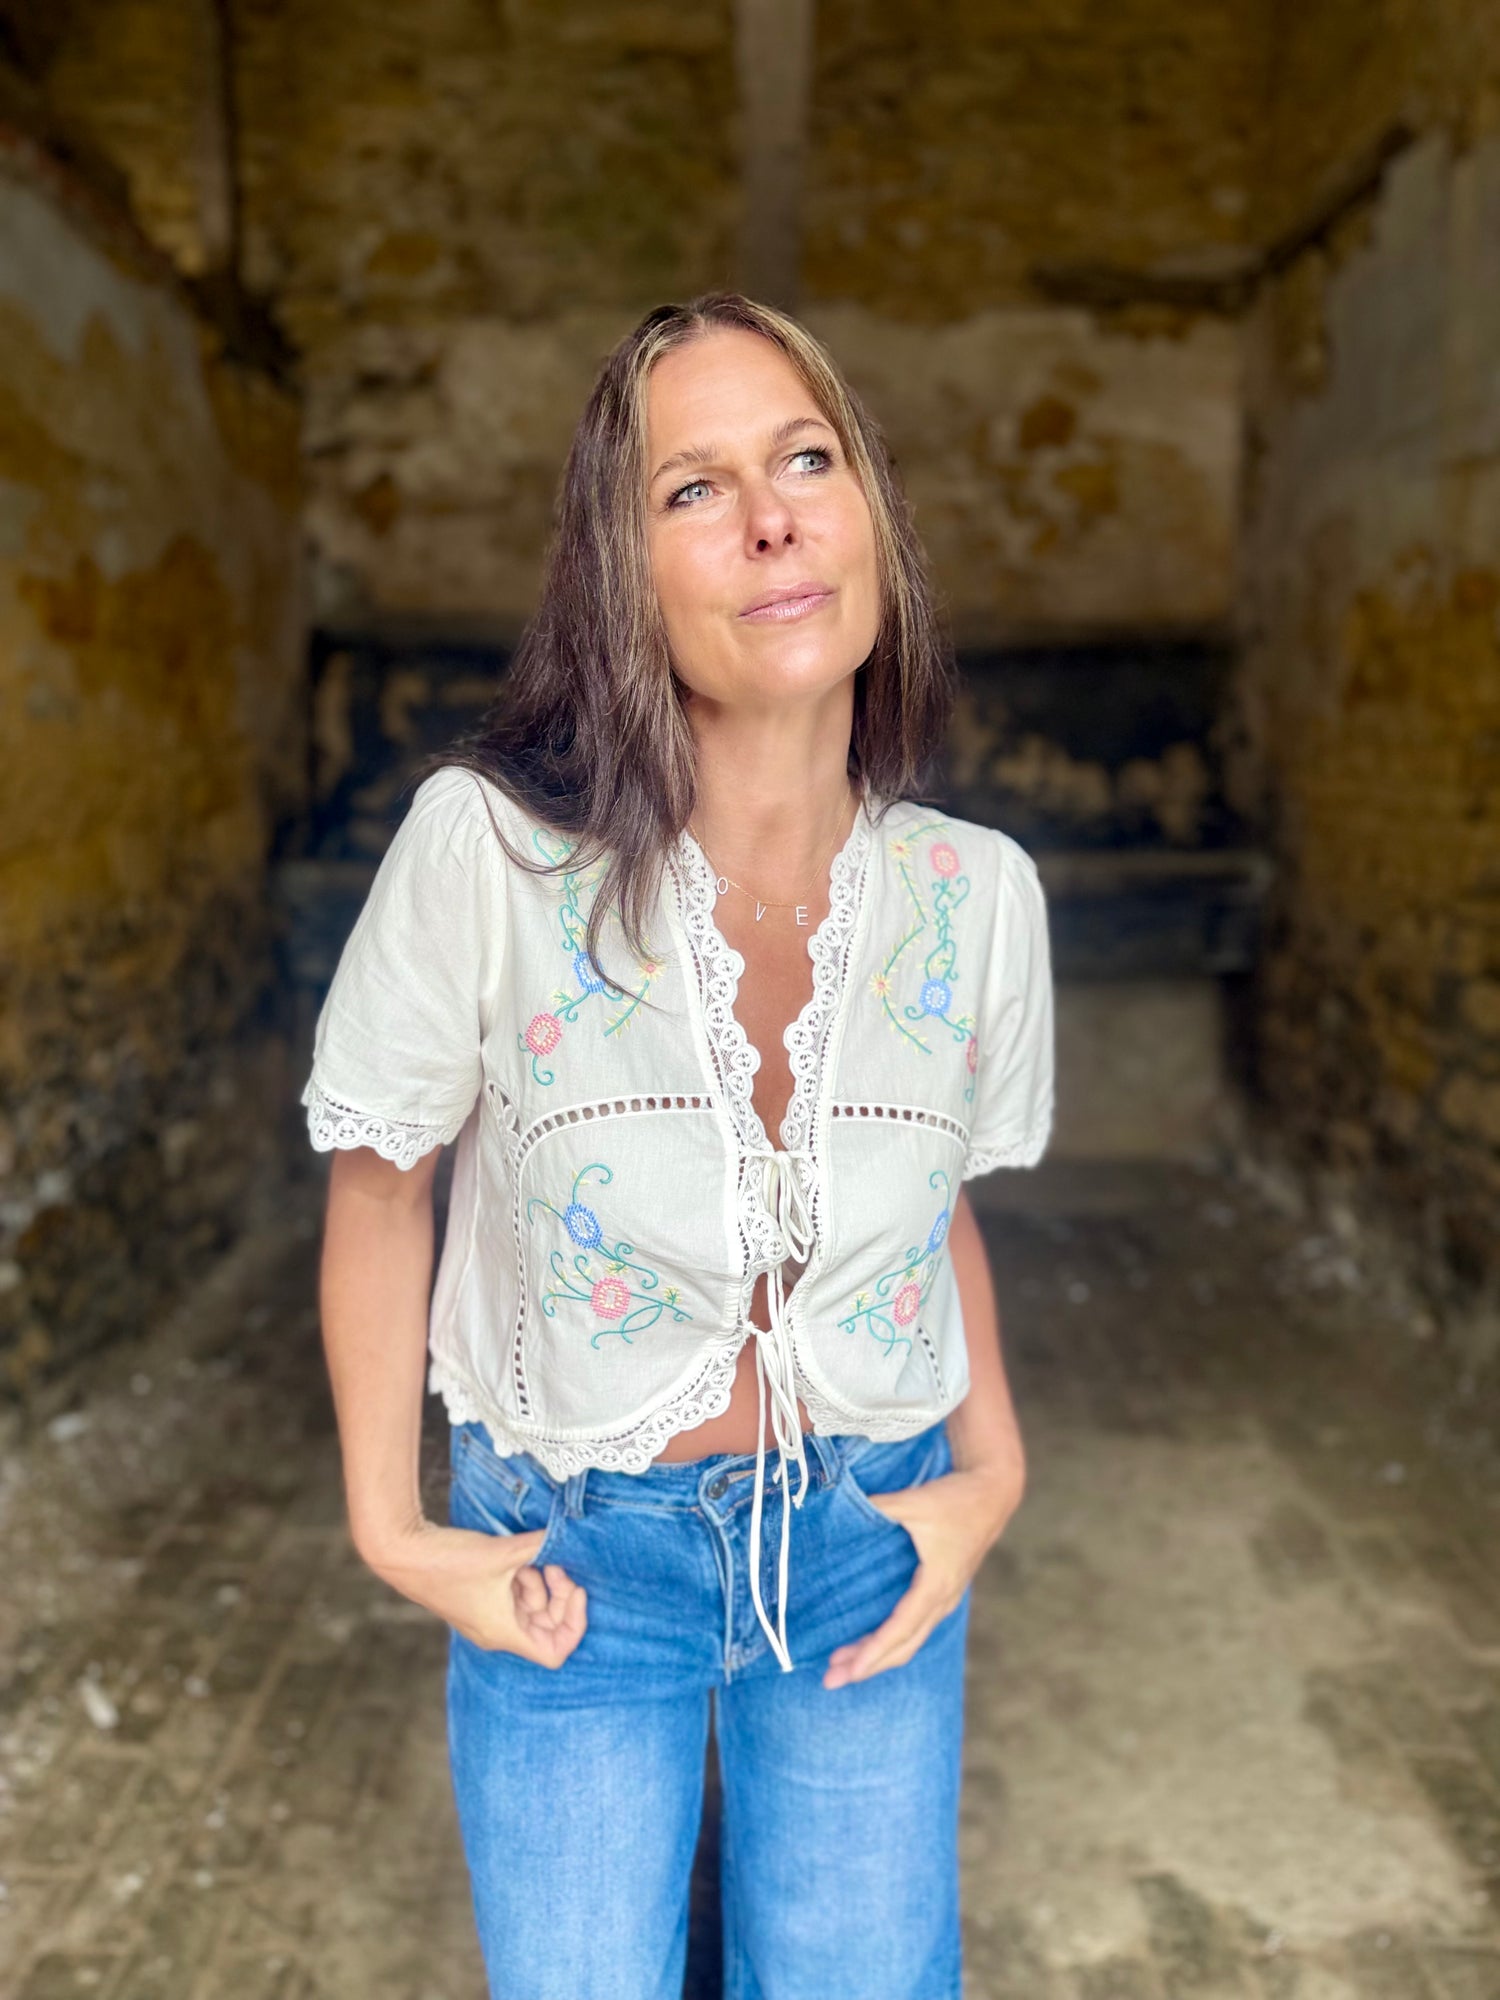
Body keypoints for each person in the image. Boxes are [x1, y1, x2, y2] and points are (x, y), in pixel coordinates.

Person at [301, 291, 1055, 2000]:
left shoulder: (977, 895)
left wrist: (991, 1476)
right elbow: (381, 1182)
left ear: (872, 515)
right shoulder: (490, 856)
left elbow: (932, 1210)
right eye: (693, 488)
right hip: (572, 1567)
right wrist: (391, 1529)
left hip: (868, 1537)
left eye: (808, 459)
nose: (772, 517)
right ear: (618, 571)